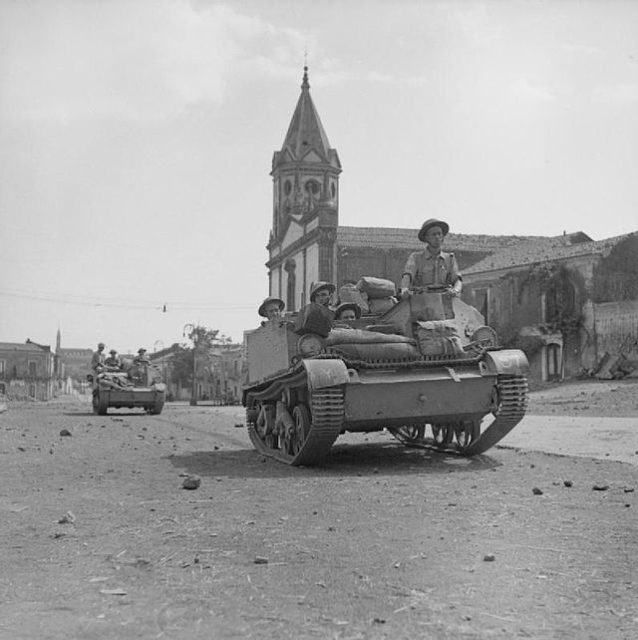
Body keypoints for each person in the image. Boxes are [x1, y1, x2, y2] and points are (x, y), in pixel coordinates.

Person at [400, 218, 462, 299]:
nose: (437, 237)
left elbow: (457, 280)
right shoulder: (416, 258)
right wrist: (404, 289)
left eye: (439, 234)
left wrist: (456, 290)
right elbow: (408, 276)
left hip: (445, 300)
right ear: (426, 238)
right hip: (421, 300)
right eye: (433, 234)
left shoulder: (450, 259)